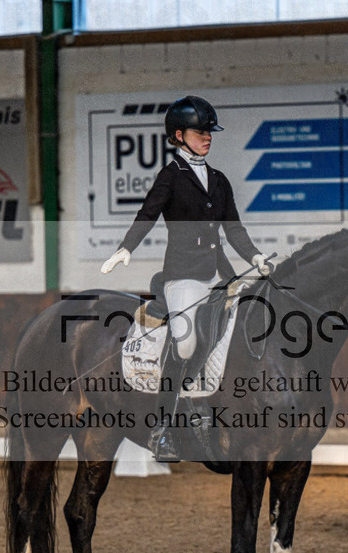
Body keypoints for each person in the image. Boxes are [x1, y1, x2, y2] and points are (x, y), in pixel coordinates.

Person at [100, 95, 273, 460]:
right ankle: (163, 427)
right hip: (183, 277)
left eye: (209, 131)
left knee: (249, 327)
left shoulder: (219, 180)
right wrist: (125, 248)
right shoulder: (171, 177)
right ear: (178, 135)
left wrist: (255, 256)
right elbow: (147, 214)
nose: (207, 137)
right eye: (199, 131)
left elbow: (234, 229)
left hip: (220, 275)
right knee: (185, 343)